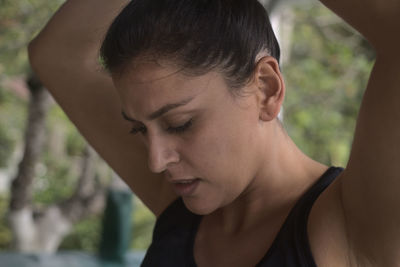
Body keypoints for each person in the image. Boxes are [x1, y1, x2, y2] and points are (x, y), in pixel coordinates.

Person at [28, 0, 400, 266]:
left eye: (180, 124)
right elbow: (57, 55)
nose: (156, 161)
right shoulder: (185, 205)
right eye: (140, 129)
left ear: (267, 89)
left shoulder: (352, 226)